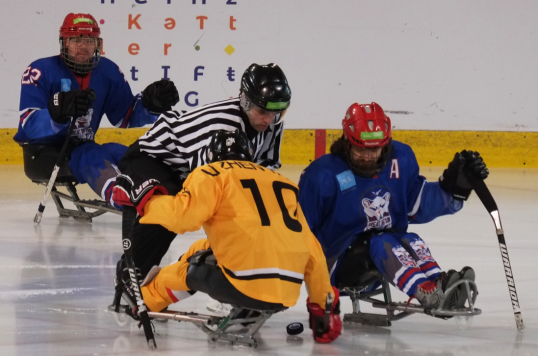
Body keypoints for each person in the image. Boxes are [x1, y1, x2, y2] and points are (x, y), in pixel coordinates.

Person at [119, 130, 341, 344]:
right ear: (250, 155)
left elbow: (182, 218)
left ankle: (144, 301)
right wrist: (322, 307)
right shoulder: (285, 184)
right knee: (203, 247)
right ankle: (250, 302)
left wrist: (147, 201)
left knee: (192, 266)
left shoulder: (211, 173)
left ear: (210, 156)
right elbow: (313, 251)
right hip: (286, 292)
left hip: (242, 284)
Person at [112, 63, 292, 302]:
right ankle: (131, 274)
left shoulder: (273, 123)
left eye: (277, 112)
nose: (269, 119)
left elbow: (264, 171)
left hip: (184, 165)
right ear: (245, 101)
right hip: (151, 157)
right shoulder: (222, 127)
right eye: (263, 111)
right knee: (174, 210)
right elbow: (210, 189)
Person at [297, 102, 489, 309]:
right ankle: (426, 292)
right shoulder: (321, 175)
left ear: (386, 144)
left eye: (375, 149)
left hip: (383, 262)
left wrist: (453, 189)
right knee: (380, 241)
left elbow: (416, 206)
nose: (368, 157)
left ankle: (441, 284)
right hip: (337, 269)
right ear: (347, 141)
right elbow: (301, 234)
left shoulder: (401, 158)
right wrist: (316, 286)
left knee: (410, 238)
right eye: (360, 149)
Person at [14, 13, 179, 208]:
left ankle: (163, 190)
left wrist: (150, 105)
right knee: (90, 152)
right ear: (64, 43)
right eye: (76, 40)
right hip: (42, 153)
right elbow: (29, 125)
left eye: (89, 40)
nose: (83, 46)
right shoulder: (40, 70)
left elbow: (126, 116)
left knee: (127, 153)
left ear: (97, 44)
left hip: (81, 147)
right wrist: (56, 115)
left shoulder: (107, 71)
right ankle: (120, 196)